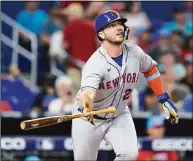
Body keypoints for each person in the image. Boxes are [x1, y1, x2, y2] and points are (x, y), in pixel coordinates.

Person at [72, 10, 178, 161]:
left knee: (129, 155)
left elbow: (151, 69)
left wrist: (163, 98)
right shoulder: (94, 64)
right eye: (112, 25)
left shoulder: (134, 52)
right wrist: (87, 103)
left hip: (119, 113)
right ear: (101, 35)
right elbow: (87, 92)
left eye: (120, 23)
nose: (119, 27)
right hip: (90, 117)